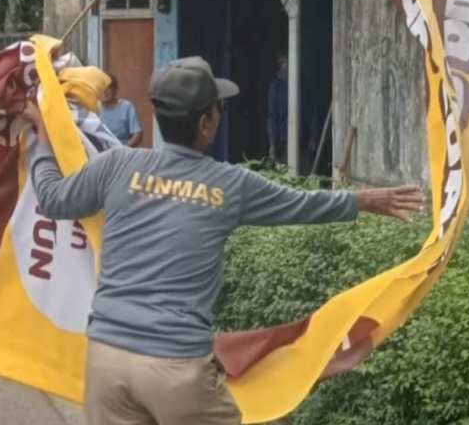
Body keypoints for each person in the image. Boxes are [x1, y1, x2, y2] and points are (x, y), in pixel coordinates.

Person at [27, 56, 423, 425]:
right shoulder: (230, 184)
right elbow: (302, 205)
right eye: (218, 107)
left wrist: (43, 139)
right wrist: (363, 200)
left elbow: (52, 197)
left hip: (105, 361)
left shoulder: (116, 166)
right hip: (176, 367)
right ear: (205, 124)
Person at [98, 74, 143, 148]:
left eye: (108, 87)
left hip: (123, 153)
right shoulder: (93, 108)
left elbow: (138, 134)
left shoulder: (126, 107)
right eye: (101, 87)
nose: (104, 91)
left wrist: (123, 150)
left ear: (115, 89)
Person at [267, 52, 288, 163]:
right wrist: (273, 142)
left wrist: (313, 134)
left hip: (302, 142)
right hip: (282, 142)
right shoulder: (276, 86)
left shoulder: (302, 84)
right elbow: (272, 116)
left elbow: (310, 110)